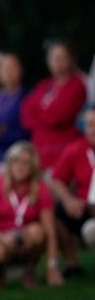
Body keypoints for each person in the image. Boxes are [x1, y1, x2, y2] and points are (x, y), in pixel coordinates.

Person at [0, 142, 63, 289]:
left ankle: (29, 270)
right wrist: (2, 238)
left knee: (37, 231)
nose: (20, 166)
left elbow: (50, 231)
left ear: (33, 166)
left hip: (26, 237)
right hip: (1, 236)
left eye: (26, 162)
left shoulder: (41, 189)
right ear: (9, 164)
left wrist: (52, 267)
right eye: (16, 161)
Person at [21, 39, 86, 171]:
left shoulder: (77, 85)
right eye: (53, 57)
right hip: (40, 154)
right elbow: (26, 114)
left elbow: (58, 116)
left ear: (71, 59)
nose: (57, 61)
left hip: (63, 154)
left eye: (61, 57)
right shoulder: (44, 84)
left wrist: (39, 114)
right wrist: (45, 115)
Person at [49, 108, 95, 277]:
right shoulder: (76, 149)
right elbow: (57, 179)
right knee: (56, 211)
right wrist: (68, 199)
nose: (92, 129)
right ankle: (71, 263)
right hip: (85, 208)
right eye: (89, 124)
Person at [0, 53, 29, 173]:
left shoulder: (26, 97)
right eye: (4, 68)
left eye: (11, 68)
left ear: (20, 70)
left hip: (17, 158)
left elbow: (26, 128)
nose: (7, 72)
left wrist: (1, 134)